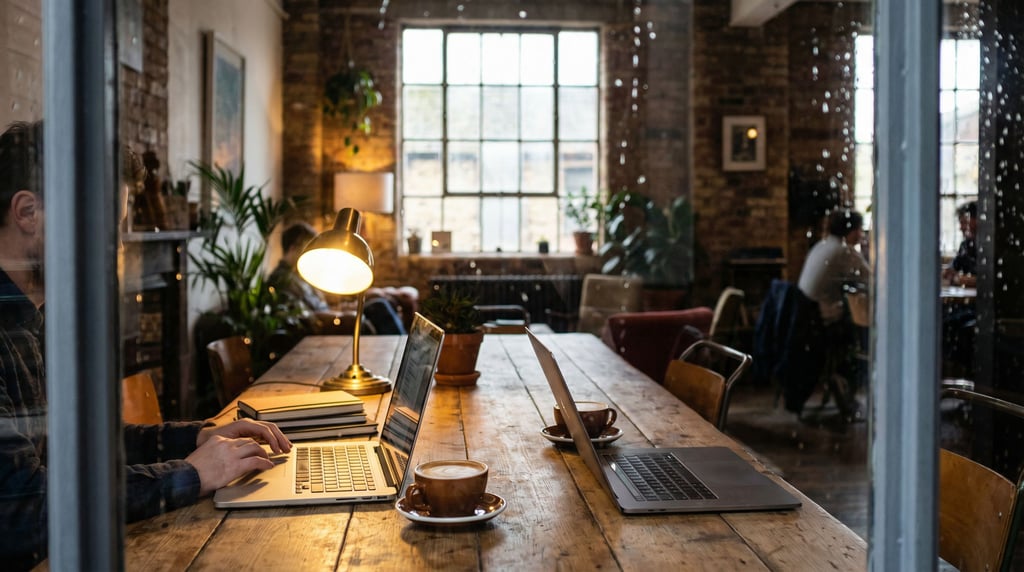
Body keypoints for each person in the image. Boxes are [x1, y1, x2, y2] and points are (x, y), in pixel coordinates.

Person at [0, 121, 291, 569]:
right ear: (27, 212)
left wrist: (197, 437)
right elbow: (21, 511)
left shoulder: (32, 321)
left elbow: (79, 445)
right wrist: (192, 474)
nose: (115, 246)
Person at [268, 222, 406, 335]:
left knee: (379, 304)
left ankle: (401, 349)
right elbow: (299, 317)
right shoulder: (281, 279)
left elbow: (324, 302)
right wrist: (341, 315)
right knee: (375, 310)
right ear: (293, 248)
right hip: (324, 323)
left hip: (331, 313)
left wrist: (344, 308)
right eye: (306, 248)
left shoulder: (300, 273)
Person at [797, 209, 872, 324]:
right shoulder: (844, 250)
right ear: (853, 231)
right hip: (821, 317)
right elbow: (870, 280)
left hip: (803, 312)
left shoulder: (822, 244)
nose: (861, 234)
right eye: (860, 229)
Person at [943, 200, 977, 287]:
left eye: (964, 223)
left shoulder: (992, 248)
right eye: (961, 223)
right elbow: (953, 267)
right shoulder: (965, 246)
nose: (961, 228)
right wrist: (948, 272)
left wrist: (965, 280)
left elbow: (990, 280)